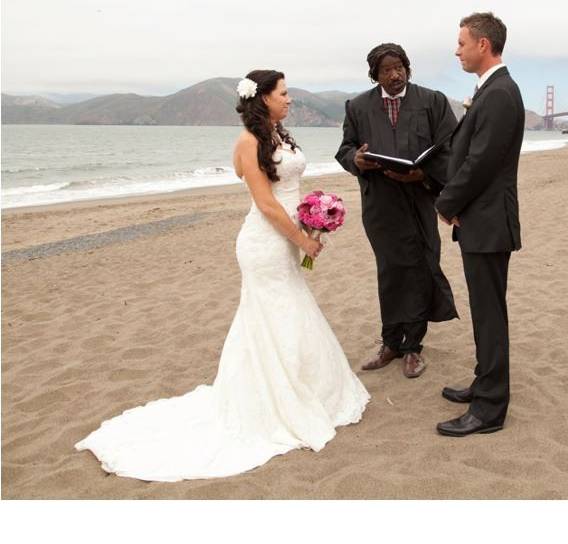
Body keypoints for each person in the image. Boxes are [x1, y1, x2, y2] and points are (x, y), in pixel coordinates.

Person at [75, 70, 370, 481]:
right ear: (262, 98)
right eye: (283, 93)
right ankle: (272, 400)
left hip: (288, 234)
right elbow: (266, 204)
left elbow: (287, 190)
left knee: (288, 310)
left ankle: (305, 387)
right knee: (275, 312)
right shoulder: (248, 143)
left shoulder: (279, 136)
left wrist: (312, 218)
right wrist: (303, 240)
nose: (289, 99)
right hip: (265, 243)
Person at [336, 43, 458, 379]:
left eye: (400, 67)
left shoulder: (432, 101)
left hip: (419, 199)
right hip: (380, 205)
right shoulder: (358, 106)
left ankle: (413, 347)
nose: (395, 75)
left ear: (408, 68)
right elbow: (345, 149)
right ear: (375, 75)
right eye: (387, 70)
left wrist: (424, 174)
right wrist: (355, 160)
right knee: (390, 272)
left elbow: (451, 148)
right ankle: (391, 342)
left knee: (420, 268)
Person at [435, 13, 524, 437]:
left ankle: (489, 409)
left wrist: (446, 202)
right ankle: (483, 381)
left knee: (490, 313)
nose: (457, 50)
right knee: (484, 310)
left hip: (488, 222)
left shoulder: (501, 94)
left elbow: (482, 161)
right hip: (480, 219)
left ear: (483, 45)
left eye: (461, 43)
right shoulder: (490, 91)